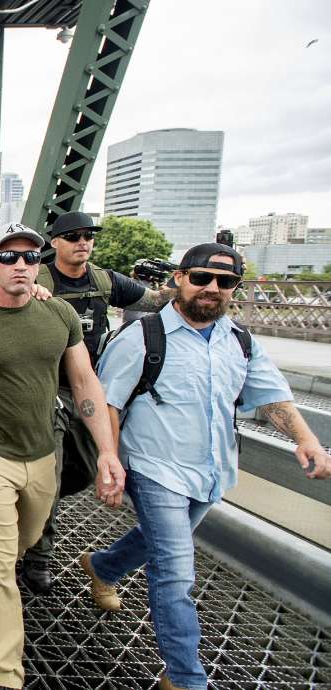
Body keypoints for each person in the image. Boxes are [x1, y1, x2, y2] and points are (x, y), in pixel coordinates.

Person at [84, 243, 330, 690]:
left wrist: (306, 439)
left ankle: (103, 567)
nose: (211, 288)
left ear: (235, 288)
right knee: (176, 570)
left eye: (225, 281)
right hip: (154, 468)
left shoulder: (239, 341)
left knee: (156, 541)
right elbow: (107, 404)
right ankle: (185, 678)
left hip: (212, 471)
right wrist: (109, 462)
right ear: (180, 278)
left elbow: (271, 395)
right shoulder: (144, 336)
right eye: (201, 278)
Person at [0, 223, 124, 690]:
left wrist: (107, 451)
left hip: (41, 453)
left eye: (30, 257)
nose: (21, 265)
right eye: (8, 257)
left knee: (28, 538)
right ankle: (5, 675)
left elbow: (85, 383)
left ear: (40, 264)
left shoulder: (59, 317)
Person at [20, 210, 173, 593]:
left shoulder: (104, 280)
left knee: (86, 470)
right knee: (50, 479)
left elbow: (157, 301)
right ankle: (38, 556)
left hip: (88, 388)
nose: (83, 242)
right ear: (54, 243)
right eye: (73, 236)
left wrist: (183, 281)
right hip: (45, 390)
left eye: (88, 236)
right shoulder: (37, 277)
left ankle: (28, 504)